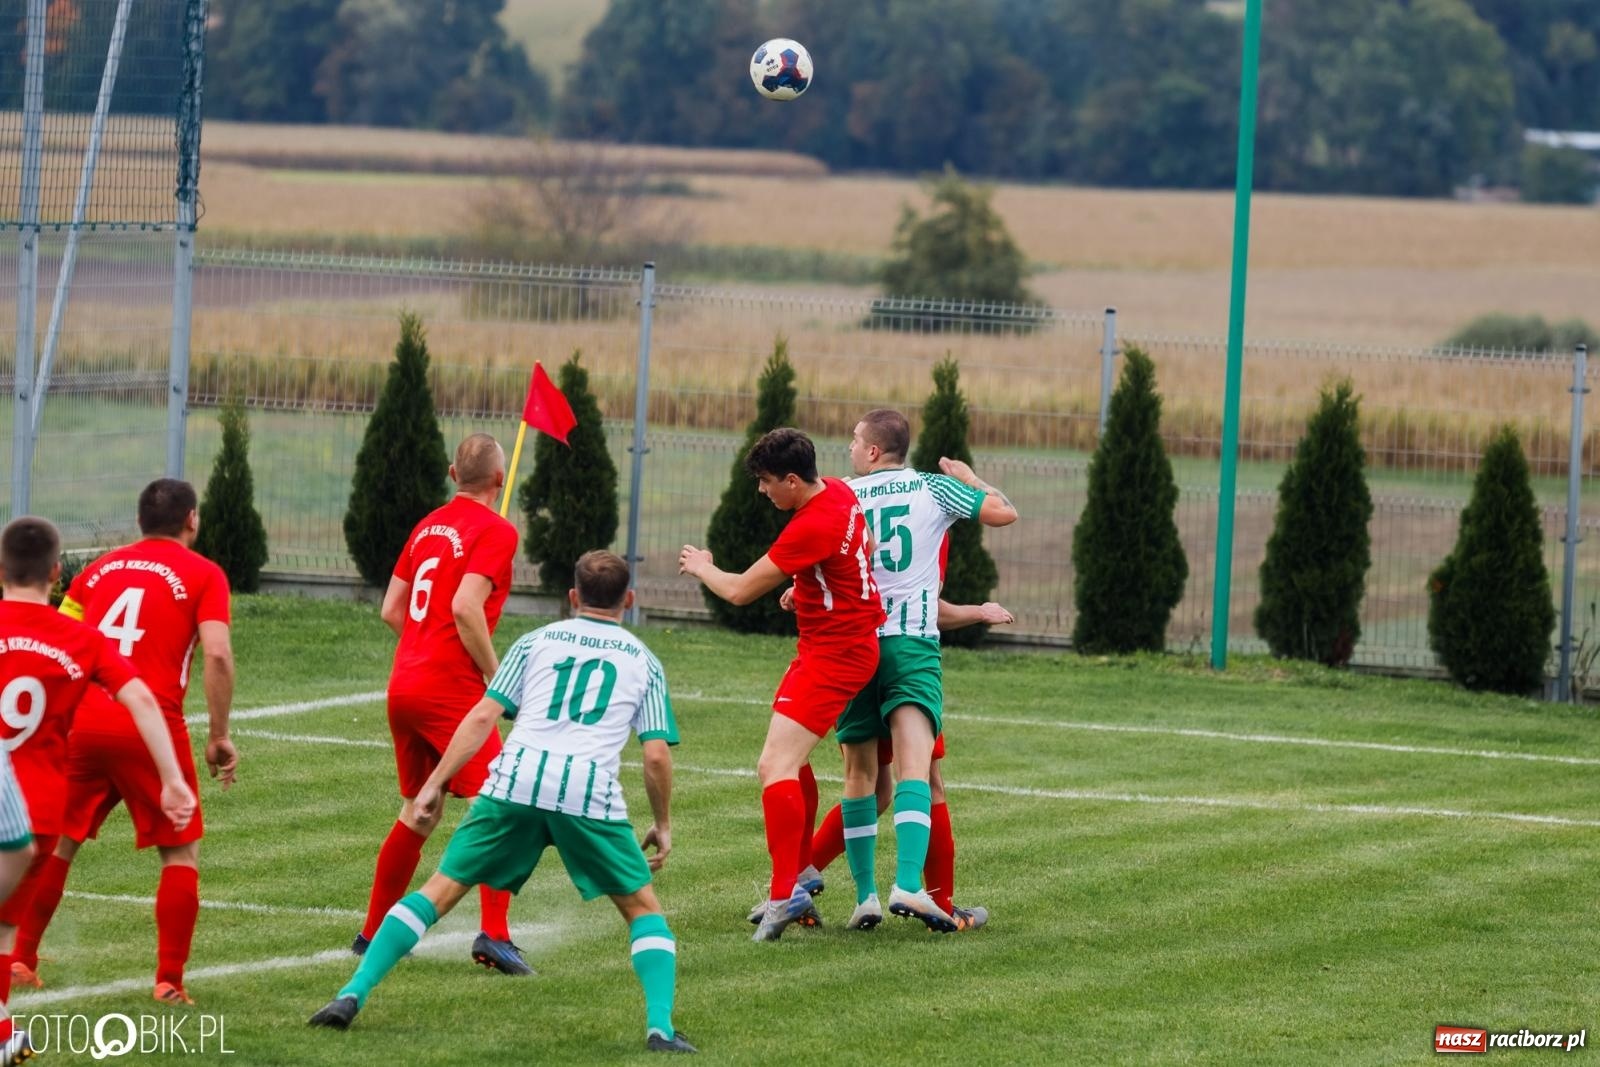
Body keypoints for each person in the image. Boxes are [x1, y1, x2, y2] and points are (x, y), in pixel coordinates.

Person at [309, 551, 694, 1054]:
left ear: (572, 597)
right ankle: (660, 1030)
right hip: (586, 792)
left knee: (440, 890)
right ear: (630, 600)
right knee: (643, 910)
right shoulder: (644, 660)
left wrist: (435, 783)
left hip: (514, 781)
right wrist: (662, 822)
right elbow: (656, 756)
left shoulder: (533, 642)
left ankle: (351, 993)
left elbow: (482, 716)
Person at [8, 483, 223, 1006]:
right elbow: (216, 653)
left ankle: (21, 958)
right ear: (191, 520)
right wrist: (219, 734)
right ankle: (169, 979)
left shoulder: (99, 570)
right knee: (180, 850)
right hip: (148, 722)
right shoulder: (205, 574)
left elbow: (52, 638)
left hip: (82, 723)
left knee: (59, 844)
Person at [679, 427, 886, 941]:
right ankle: (799, 875)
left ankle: (784, 893)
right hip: (836, 645)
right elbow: (866, 545)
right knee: (793, 761)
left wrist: (704, 567)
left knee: (775, 765)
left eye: (768, 481)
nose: (762, 490)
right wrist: (813, 585)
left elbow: (740, 591)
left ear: (793, 480)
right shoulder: (839, 490)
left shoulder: (809, 525)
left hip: (835, 655)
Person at [830, 409, 1017, 931]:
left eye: (853, 439)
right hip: (909, 642)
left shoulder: (841, 495)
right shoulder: (932, 488)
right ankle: (908, 886)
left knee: (860, 776)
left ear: (872, 452)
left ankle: (865, 897)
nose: (848, 447)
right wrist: (973, 481)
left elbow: (818, 560)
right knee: (916, 769)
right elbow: (1004, 513)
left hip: (854, 643)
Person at [353, 433, 528, 974]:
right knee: (501, 804)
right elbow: (465, 607)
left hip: (404, 683)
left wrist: (423, 646)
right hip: (449, 690)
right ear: (500, 481)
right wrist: (500, 681)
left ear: (454, 474)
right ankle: (494, 936)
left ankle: (371, 933)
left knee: (419, 810)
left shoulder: (428, 524)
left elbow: (390, 609)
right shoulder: (497, 530)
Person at [758, 598, 1012, 933]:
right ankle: (936, 902)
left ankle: (828, 889)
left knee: (866, 783)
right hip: (907, 652)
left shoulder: (858, 544)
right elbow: (924, 602)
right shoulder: (932, 542)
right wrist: (977, 612)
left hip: (855, 652)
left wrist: (807, 589)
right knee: (924, 776)